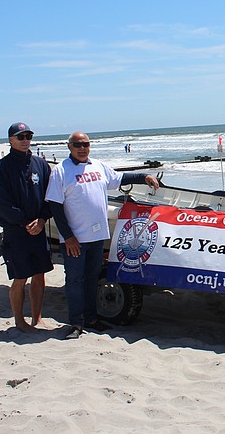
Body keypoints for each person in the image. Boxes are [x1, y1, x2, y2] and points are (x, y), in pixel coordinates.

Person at [46, 131, 160, 339]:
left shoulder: (98, 166)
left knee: (91, 280)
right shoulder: (61, 171)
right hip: (75, 240)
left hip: (97, 238)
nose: (82, 148)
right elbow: (55, 206)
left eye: (86, 144)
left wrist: (144, 177)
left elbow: (120, 178)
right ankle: (75, 323)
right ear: (69, 146)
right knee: (75, 281)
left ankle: (91, 319)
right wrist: (68, 237)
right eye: (77, 144)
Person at [0, 122, 53, 333]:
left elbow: (49, 197)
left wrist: (43, 219)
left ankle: (37, 317)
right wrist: (26, 222)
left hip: (39, 228)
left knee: (40, 275)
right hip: (16, 232)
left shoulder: (41, 165)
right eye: (21, 136)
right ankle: (19, 320)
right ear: (10, 140)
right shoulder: (0, 168)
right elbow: (3, 204)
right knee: (20, 277)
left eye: (28, 136)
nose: (25, 140)